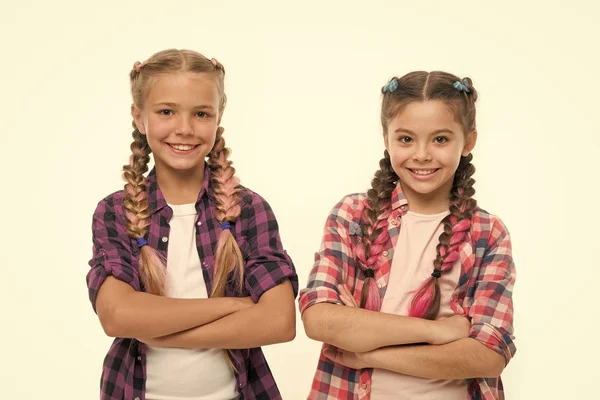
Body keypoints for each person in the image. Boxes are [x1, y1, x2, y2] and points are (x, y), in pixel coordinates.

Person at [86, 49, 297, 400]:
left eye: (201, 113)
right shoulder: (115, 211)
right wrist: (234, 305)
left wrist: (154, 329)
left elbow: (279, 321)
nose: (184, 128)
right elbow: (118, 315)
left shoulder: (248, 209)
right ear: (139, 118)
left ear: (218, 117)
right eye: (167, 111)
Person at [299, 71, 516, 399]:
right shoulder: (353, 217)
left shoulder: (488, 234)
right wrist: (439, 331)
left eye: (440, 139)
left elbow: (488, 356)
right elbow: (319, 319)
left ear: (468, 141)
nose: (422, 154)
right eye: (406, 139)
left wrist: (368, 353)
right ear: (386, 138)